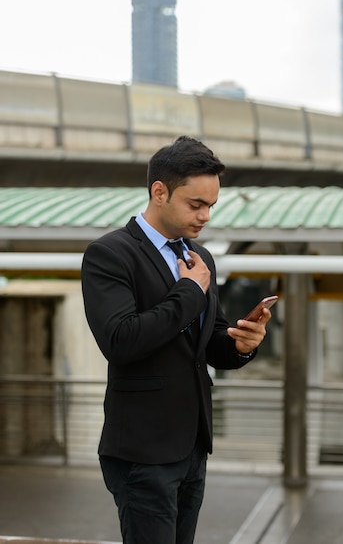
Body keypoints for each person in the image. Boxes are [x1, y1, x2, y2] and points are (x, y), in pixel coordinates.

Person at [81, 136, 271, 544]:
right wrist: (189, 293)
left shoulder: (200, 258)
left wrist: (241, 343)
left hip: (192, 445)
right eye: (195, 204)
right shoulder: (110, 254)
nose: (205, 216)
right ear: (159, 191)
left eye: (211, 206)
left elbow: (208, 340)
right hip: (141, 450)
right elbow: (120, 340)